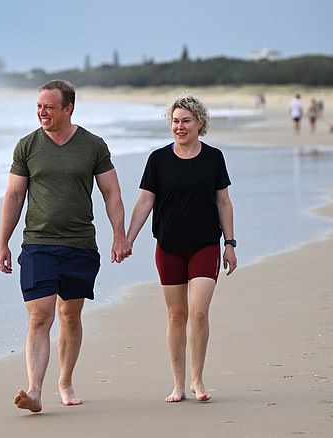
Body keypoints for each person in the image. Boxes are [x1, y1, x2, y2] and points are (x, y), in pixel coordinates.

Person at [0, 79, 127, 413]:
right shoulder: (27, 146)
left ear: (68, 108)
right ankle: (35, 391)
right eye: (39, 106)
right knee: (40, 315)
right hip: (38, 243)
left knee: (70, 314)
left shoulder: (93, 146)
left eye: (49, 106)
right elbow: (14, 195)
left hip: (79, 243)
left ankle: (65, 381)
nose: (42, 112)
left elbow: (111, 192)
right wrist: (3, 243)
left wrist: (119, 234)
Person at [125, 95, 238, 403]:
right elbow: (145, 201)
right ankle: (178, 384)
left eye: (186, 120)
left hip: (205, 245)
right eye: (175, 121)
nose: (180, 126)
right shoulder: (158, 160)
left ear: (200, 124)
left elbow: (223, 202)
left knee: (199, 313)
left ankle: (197, 381)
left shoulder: (213, 158)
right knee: (177, 315)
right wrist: (128, 239)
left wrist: (229, 244)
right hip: (169, 247)